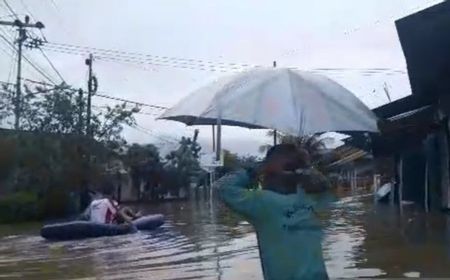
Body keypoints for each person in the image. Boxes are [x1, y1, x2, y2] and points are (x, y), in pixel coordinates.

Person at [217, 144, 334, 280]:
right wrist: (305, 170)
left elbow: (223, 187)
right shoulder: (313, 200)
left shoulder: (262, 202)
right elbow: (325, 187)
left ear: (269, 174)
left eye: (266, 173)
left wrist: (255, 170)